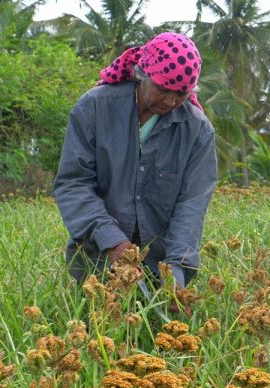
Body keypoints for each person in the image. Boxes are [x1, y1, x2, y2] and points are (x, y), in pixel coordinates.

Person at [53, 32, 217, 293]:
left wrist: (175, 268)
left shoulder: (198, 131)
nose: (170, 101)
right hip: (97, 262)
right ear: (143, 74)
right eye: (163, 89)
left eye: (181, 94)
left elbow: (191, 206)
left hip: (160, 269)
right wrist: (113, 241)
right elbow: (74, 184)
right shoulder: (94, 107)